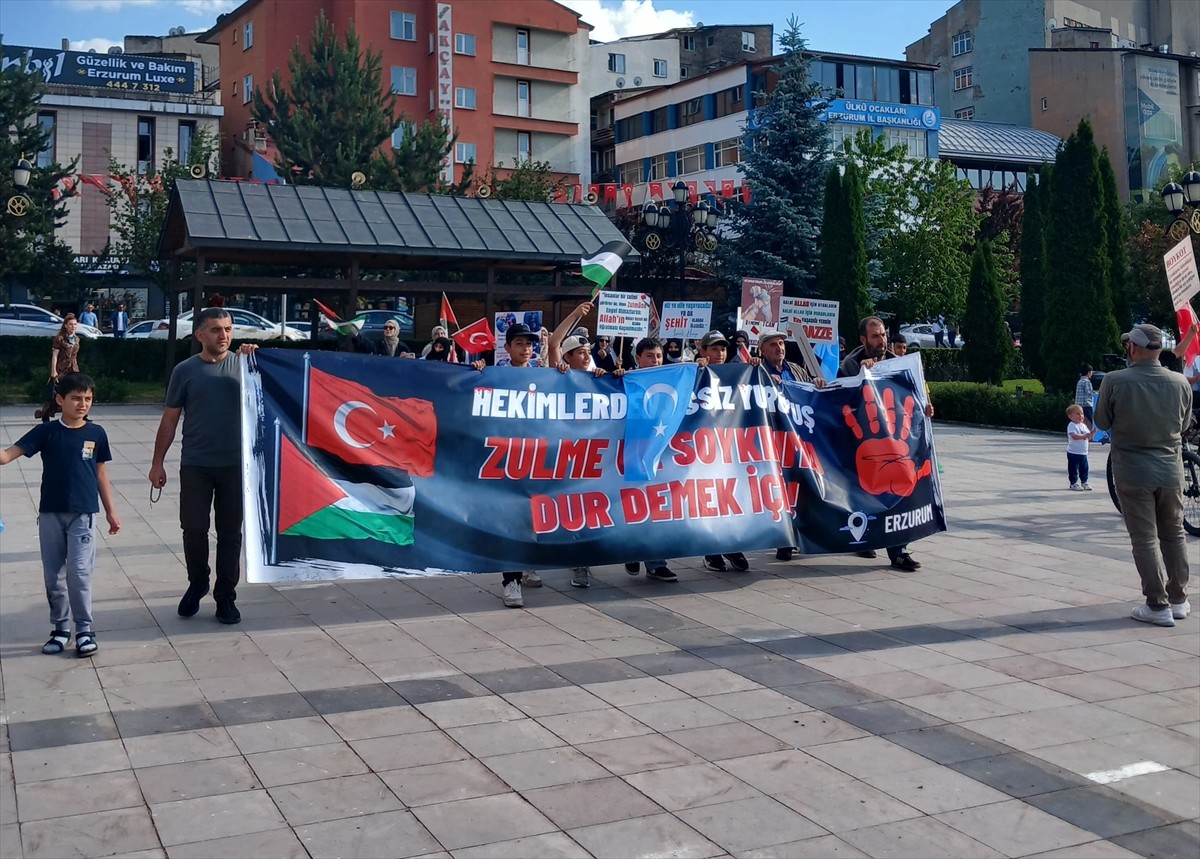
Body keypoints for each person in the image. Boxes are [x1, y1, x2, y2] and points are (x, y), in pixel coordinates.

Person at [149, 309, 258, 625]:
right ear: (200, 335)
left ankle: (225, 596)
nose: (223, 335)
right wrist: (158, 463)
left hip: (235, 466)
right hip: (195, 464)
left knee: (229, 534)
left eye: (227, 329)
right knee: (193, 528)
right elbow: (170, 419)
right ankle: (198, 582)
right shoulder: (185, 371)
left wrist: (254, 358)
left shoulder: (245, 367)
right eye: (215, 330)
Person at [0, 373, 120, 657]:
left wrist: (111, 512)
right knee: (54, 576)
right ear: (60, 400)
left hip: (84, 515)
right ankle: (60, 629)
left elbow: (100, 473)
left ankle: (84, 631)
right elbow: (6, 456)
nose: (82, 404)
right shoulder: (47, 432)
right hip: (51, 514)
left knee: (79, 573)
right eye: (76, 398)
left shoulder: (96, 433)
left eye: (88, 399)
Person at [1096, 324, 1192, 627]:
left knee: (1145, 538)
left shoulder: (1115, 380)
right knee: (1174, 533)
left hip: (1132, 470)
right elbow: (1185, 423)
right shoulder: (1180, 382)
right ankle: (1179, 599)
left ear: (1133, 348)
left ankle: (1157, 604)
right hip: (1170, 470)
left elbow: (1101, 419)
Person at [840, 316, 934, 571]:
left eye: (883, 335)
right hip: (866, 442)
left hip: (897, 440)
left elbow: (914, 396)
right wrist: (863, 374)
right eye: (875, 336)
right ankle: (865, 539)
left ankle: (899, 551)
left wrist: (925, 406)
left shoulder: (899, 363)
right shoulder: (849, 365)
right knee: (866, 495)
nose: (881, 340)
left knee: (901, 491)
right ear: (863, 340)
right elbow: (842, 400)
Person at [473, 323, 543, 605]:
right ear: (508, 347)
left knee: (533, 515)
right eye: (519, 344)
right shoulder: (496, 375)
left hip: (538, 456)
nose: (526, 349)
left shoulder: (545, 376)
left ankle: (527, 563)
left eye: (529, 344)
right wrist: (476, 373)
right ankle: (510, 580)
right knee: (510, 517)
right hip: (506, 456)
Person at [757, 328, 826, 561]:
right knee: (779, 488)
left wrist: (815, 383)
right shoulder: (757, 371)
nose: (779, 348)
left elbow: (808, 395)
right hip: (773, 441)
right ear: (762, 350)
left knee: (800, 488)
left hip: (797, 441)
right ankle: (782, 540)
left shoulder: (795, 369)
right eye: (773, 344)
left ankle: (799, 534)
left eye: (781, 344)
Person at [618, 337, 680, 582]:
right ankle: (631, 551)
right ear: (637, 358)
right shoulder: (625, 380)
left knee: (657, 507)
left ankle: (656, 562)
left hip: (660, 454)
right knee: (632, 506)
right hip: (631, 453)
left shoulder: (674, 378)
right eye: (650, 356)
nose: (655, 361)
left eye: (659, 356)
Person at [692, 330, 751, 572]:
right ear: (703, 352)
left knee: (731, 499)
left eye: (723, 349)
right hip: (702, 449)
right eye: (714, 349)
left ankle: (731, 546)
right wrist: (695, 368)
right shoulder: (695, 372)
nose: (720, 353)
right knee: (709, 499)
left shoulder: (737, 373)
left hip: (730, 447)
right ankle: (711, 551)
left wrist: (754, 367)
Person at [36, 314, 82, 423]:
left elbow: (74, 355)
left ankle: (79, 415)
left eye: (75, 324)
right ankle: (46, 413)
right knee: (57, 393)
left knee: (75, 391)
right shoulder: (60, 339)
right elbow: (55, 355)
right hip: (61, 370)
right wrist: (53, 371)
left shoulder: (77, 339)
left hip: (73, 369)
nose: (73, 326)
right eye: (70, 324)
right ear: (65, 325)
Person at [1065, 404, 1095, 491]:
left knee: (1084, 468)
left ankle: (1084, 481)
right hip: (1074, 452)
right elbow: (1074, 436)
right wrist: (1084, 436)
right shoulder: (1072, 425)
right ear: (1070, 416)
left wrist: (1092, 434)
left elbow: (1088, 437)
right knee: (1073, 468)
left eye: (1082, 413)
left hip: (1083, 452)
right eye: (1077, 414)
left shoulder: (1083, 425)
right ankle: (1073, 483)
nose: (1081, 416)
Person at [1075, 364, 1096, 429]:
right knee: (1092, 420)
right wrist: (1096, 393)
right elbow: (1089, 392)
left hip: (1078, 404)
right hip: (1086, 404)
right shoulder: (1087, 381)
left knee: (1081, 420)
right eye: (1091, 372)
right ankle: (1094, 433)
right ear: (1089, 372)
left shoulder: (1080, 381)